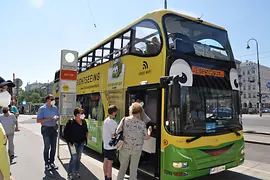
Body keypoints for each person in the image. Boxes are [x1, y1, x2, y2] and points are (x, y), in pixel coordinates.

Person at [116, 102, 152, 180]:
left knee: (123, 167)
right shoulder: (142, 123)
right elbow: (147, 137)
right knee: (133, 169)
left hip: (125, 148)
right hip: (137, 150)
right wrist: (149, 131)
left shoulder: (124, 119)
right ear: (140, 112)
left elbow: (117, 131)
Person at [64, 108, 88, 180]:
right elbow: (66, 133)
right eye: (81, 113)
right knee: (74, 157)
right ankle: (70, 173)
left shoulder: (83, 122)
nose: (83, 115)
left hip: (81, 143)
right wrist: (69, 142)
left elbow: (86, 130)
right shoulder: (70, 122)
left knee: (78, 157)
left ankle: (76, 171)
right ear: (77, 114)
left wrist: (87, 135)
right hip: (73, 144)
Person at [37, 94, 59, 171]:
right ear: (47, 100)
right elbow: (38, 120)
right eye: (52, 99)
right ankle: (47, 163)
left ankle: (52, 162)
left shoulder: (55, 108)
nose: (53, 100)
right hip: (45, 129)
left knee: (53, 147)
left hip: (53, 129)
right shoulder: (42, 108)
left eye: (53, 99)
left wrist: (56, 118)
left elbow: (57, 116)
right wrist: (48, 119)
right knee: (47, 147)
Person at [102, 105, 118, 180]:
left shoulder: (106, 120)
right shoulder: (113, 122)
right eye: (116, 112)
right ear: (114, 112)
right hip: (111, 146)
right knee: (110, 163)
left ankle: (105, 176)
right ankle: (109, 177)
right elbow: (113, 134)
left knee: (105, 160)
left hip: (105, 144)